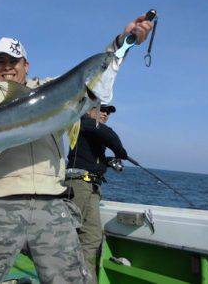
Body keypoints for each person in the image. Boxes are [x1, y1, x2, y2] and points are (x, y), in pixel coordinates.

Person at [0, 16, 153, 284]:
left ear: (26, 64)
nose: (7, 68)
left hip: (52, 202)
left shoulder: (50, 89)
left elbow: (98, 68)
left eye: (13, 61)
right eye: (0, 62)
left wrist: (123, 43)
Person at [66, 104, 128, 283]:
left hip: (91, 187)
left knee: (92, 237)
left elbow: (90, 157)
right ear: (88, 109)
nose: (105, 114)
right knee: (70, 236)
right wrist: (120, 152)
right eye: (102, 109)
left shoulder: (93, 132)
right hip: (79, 186)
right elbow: (108, 135)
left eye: (108, 112)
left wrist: (108, 162)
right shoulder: (82, 122)